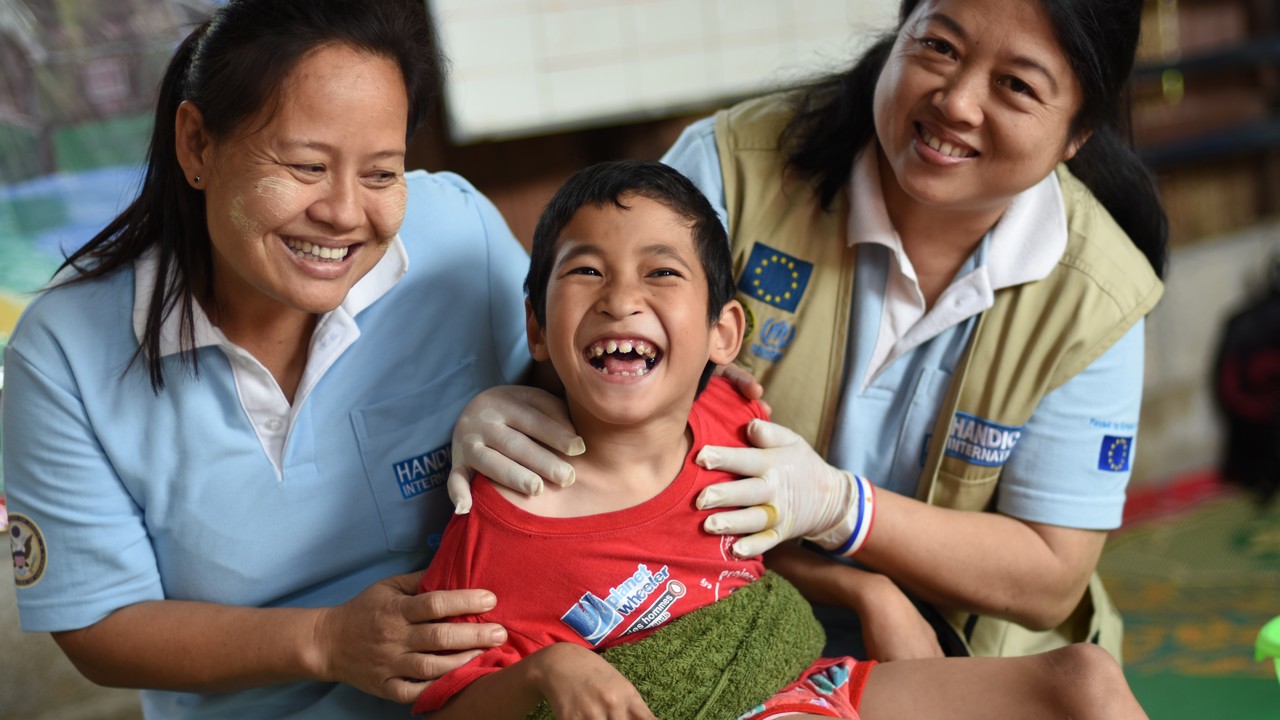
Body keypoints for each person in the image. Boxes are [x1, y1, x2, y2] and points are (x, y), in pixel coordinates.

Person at [448, 0, 1166, 663]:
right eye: (940, 47)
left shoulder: (1099, 295)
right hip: (721, 621)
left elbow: (1049, 577)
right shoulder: (732, 172)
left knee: (1084, 686)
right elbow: (600, 389)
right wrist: (515, 397)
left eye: (1016, 85)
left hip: (968, 653)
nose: (956, 102)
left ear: (1077, 132)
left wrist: (843, 508)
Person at [418, 159, 1149, 720]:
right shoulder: (495, 526)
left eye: (661, 272)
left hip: (813, 690)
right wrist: (545, 674)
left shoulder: (731, 421)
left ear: (723, 334)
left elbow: (754, 543)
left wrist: (869, 590)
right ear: (537, 328)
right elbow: (448, 705)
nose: (621, 298)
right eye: (586, 271)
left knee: (1084, 678)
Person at [2, 1, 537, 717]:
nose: (344, 212)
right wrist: (324, 640)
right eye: (307, 166)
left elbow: (579, 399)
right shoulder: (63, 352)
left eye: (382, 174)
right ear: (197, 145)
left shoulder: (457, 234)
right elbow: (98, 626)